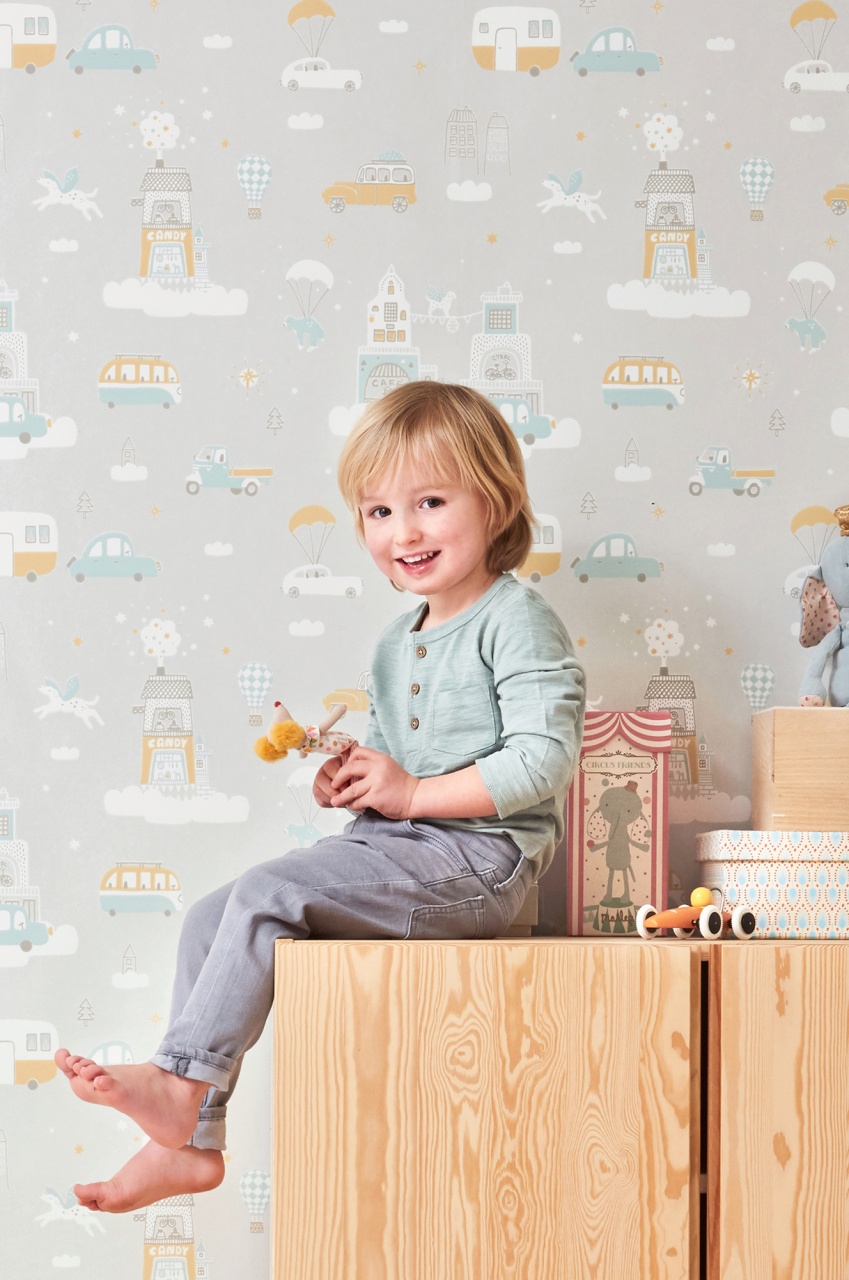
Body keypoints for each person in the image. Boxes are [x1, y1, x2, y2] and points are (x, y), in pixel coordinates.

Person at [55, 381, 586, 1214]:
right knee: (210, 917)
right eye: (378, 512)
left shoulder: (514, 620)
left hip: (481, 861)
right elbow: (397, 767)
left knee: (271, 892)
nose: (403, 532)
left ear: (496, 499)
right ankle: (190, 1145)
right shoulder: (394, 642)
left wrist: (411, 793)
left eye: (430, 502)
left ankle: (177, 1086)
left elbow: (543, 759)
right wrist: (353, 779)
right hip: (397, 847)